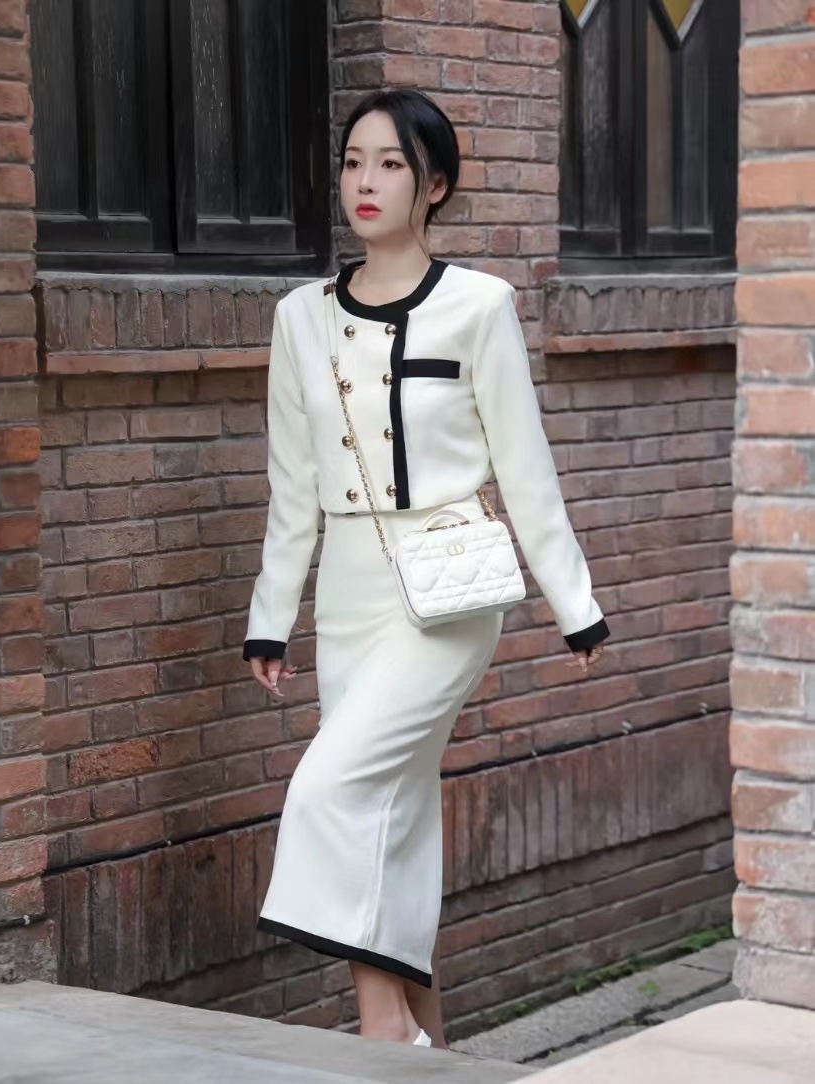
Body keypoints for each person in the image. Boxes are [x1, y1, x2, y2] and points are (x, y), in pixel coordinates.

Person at [243, 89, 609, 1049]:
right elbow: (292, 485)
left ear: (434, 185)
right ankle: (428, 1048)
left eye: (392, 164)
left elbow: (525, 466)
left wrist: (574, 603)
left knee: (332, 790)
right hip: (349, 591)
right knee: (392, 813)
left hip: (447, 589)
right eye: (353, 161)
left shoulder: (479, 306)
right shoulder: (299, 319)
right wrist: (272, 615)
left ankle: (381, 1033)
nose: (365, 181)